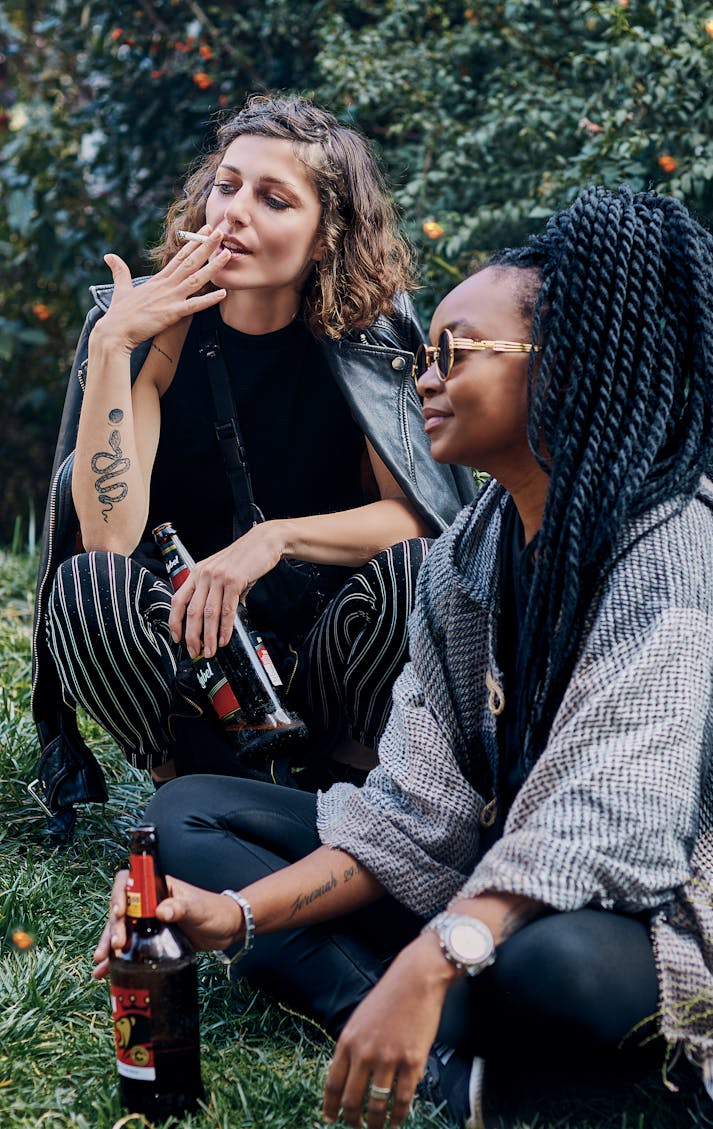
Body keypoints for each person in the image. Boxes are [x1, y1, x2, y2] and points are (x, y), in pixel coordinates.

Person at [93, 185, 713, 1129]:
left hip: (657, 916)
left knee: (543, 967)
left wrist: (437, 950)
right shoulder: (469, 553)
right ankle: (428, 1050)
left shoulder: (674, 538)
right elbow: (413, 812)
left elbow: (619, 826)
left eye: (452, 353)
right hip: (494, 881)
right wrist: (229, 914)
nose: (425, 379)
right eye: (422, 355)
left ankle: (437, 1022)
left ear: (561, 370)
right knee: (191, 815)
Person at [29, 94, 476, 835]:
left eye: (273, 198)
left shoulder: (378, 336)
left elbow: (416, 519)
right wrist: (112, 348)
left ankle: (343, 789)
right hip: (188, 648)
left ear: (327, 236)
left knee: (413, 570)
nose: (232, 212)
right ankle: (184, 791)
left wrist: (271, 540)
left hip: (328, 645)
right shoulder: (142, 326)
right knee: (86, 587)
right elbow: (109, 536)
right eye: (227, 185)